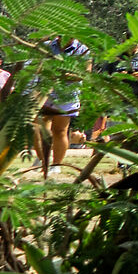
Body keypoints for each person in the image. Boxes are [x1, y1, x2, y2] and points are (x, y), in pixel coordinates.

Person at [36, 37, 89, 177]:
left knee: (59, 130)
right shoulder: (47, 45)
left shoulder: (82, 50)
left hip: (67, 95)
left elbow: (85, 74)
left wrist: (62, 74)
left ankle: (56, 164)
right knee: (39, 128)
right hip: (45, 92)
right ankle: (42, 160)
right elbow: (37, 66)